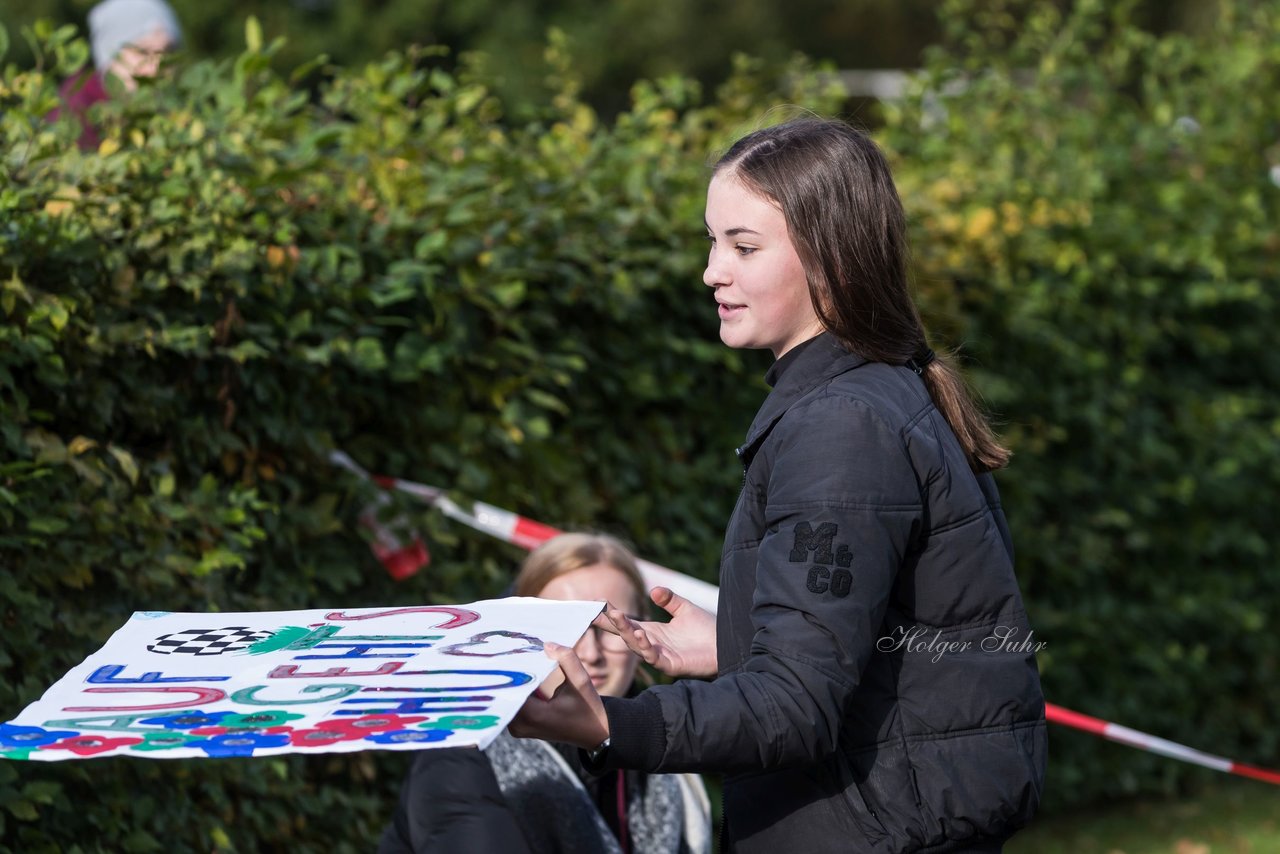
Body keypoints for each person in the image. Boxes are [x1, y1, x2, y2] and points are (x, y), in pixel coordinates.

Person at [511, 118, 1048, 853]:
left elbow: (796, 708)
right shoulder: (873, 394)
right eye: (712, 241)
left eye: (743, 246)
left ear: (831, 260)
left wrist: (609, 724)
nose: (712, 271)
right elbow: (869, 645)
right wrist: (740, 643)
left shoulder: (844, 426)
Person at [379, 532, 712, 854]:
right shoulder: (465, 743)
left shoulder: (666, 754)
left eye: (613, 629)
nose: (591, 654)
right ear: (521, 633)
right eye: (566, 627)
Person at [49, 0, 183, 151]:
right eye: (143, 52)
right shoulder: (75, 113)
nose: (157, 67)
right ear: (110, 54)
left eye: (168, 52)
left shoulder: (174, 113)